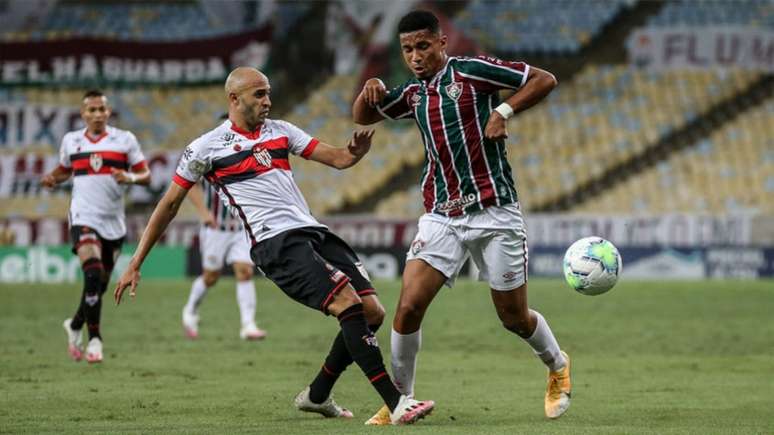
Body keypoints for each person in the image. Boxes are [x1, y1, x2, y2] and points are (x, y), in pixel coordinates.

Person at [114, 67, 435, 425]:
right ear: (234, 99)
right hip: (275, 242)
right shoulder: (205, 148)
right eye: (259, 94)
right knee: (348, 303)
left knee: (372, 313)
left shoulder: (281, 131)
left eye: (268, 93)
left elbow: (338, 158)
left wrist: (354, 153)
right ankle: (397, 403)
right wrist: (135, 262)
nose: (268, 101)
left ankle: (317, 395)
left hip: (313, 231)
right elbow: (169, 205)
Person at [352, 10, 571, 424]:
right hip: (441, 216)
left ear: (441, 43)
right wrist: (371, 88)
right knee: (407, 308)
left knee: (513, 317)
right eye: (407, 50)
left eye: (422, 46)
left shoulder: (472, 71)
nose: (415, 56)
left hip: (495, 212)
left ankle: (557, 365)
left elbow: (544, 79)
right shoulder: (413, 94)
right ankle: (400, 399)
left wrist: (502, 113)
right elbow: (363, 116)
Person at [41, 90, 151, 364]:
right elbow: (67, 169)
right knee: (92, 273)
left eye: (102, 109)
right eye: (92, 110)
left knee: (99, 284)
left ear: (108, 111)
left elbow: (146, 176)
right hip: (83, 215)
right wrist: (53, 177)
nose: (98, 114)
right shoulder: (71, 140)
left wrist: (128, 177)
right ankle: (95, 340)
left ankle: (75, 324)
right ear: (83, 114)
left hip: (113, 221)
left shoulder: (124, 140)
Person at [182, 179, 267, 340]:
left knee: (245, 271)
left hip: (241, 227)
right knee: (211, 277)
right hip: (215, 228)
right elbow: (190, 182)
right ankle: (190, 310)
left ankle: (248, 325)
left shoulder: (247, 155)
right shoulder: (208, 155)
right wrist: (203, 212)